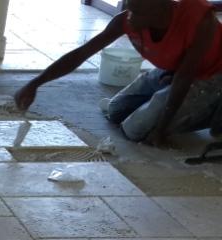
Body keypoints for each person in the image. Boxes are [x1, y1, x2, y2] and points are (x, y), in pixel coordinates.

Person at [15, 0, 222, 147]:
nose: (129, 17)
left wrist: (161, 130)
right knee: (116, 110)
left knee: (135, 130)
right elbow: (81, 53)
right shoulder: (126, 21)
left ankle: (215, 113)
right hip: (179, 70)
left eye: (136, 12)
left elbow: (185, 77)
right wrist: (36, 83)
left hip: (213, 75)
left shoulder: (198, 19)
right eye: (129, 8)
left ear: (159, 10)